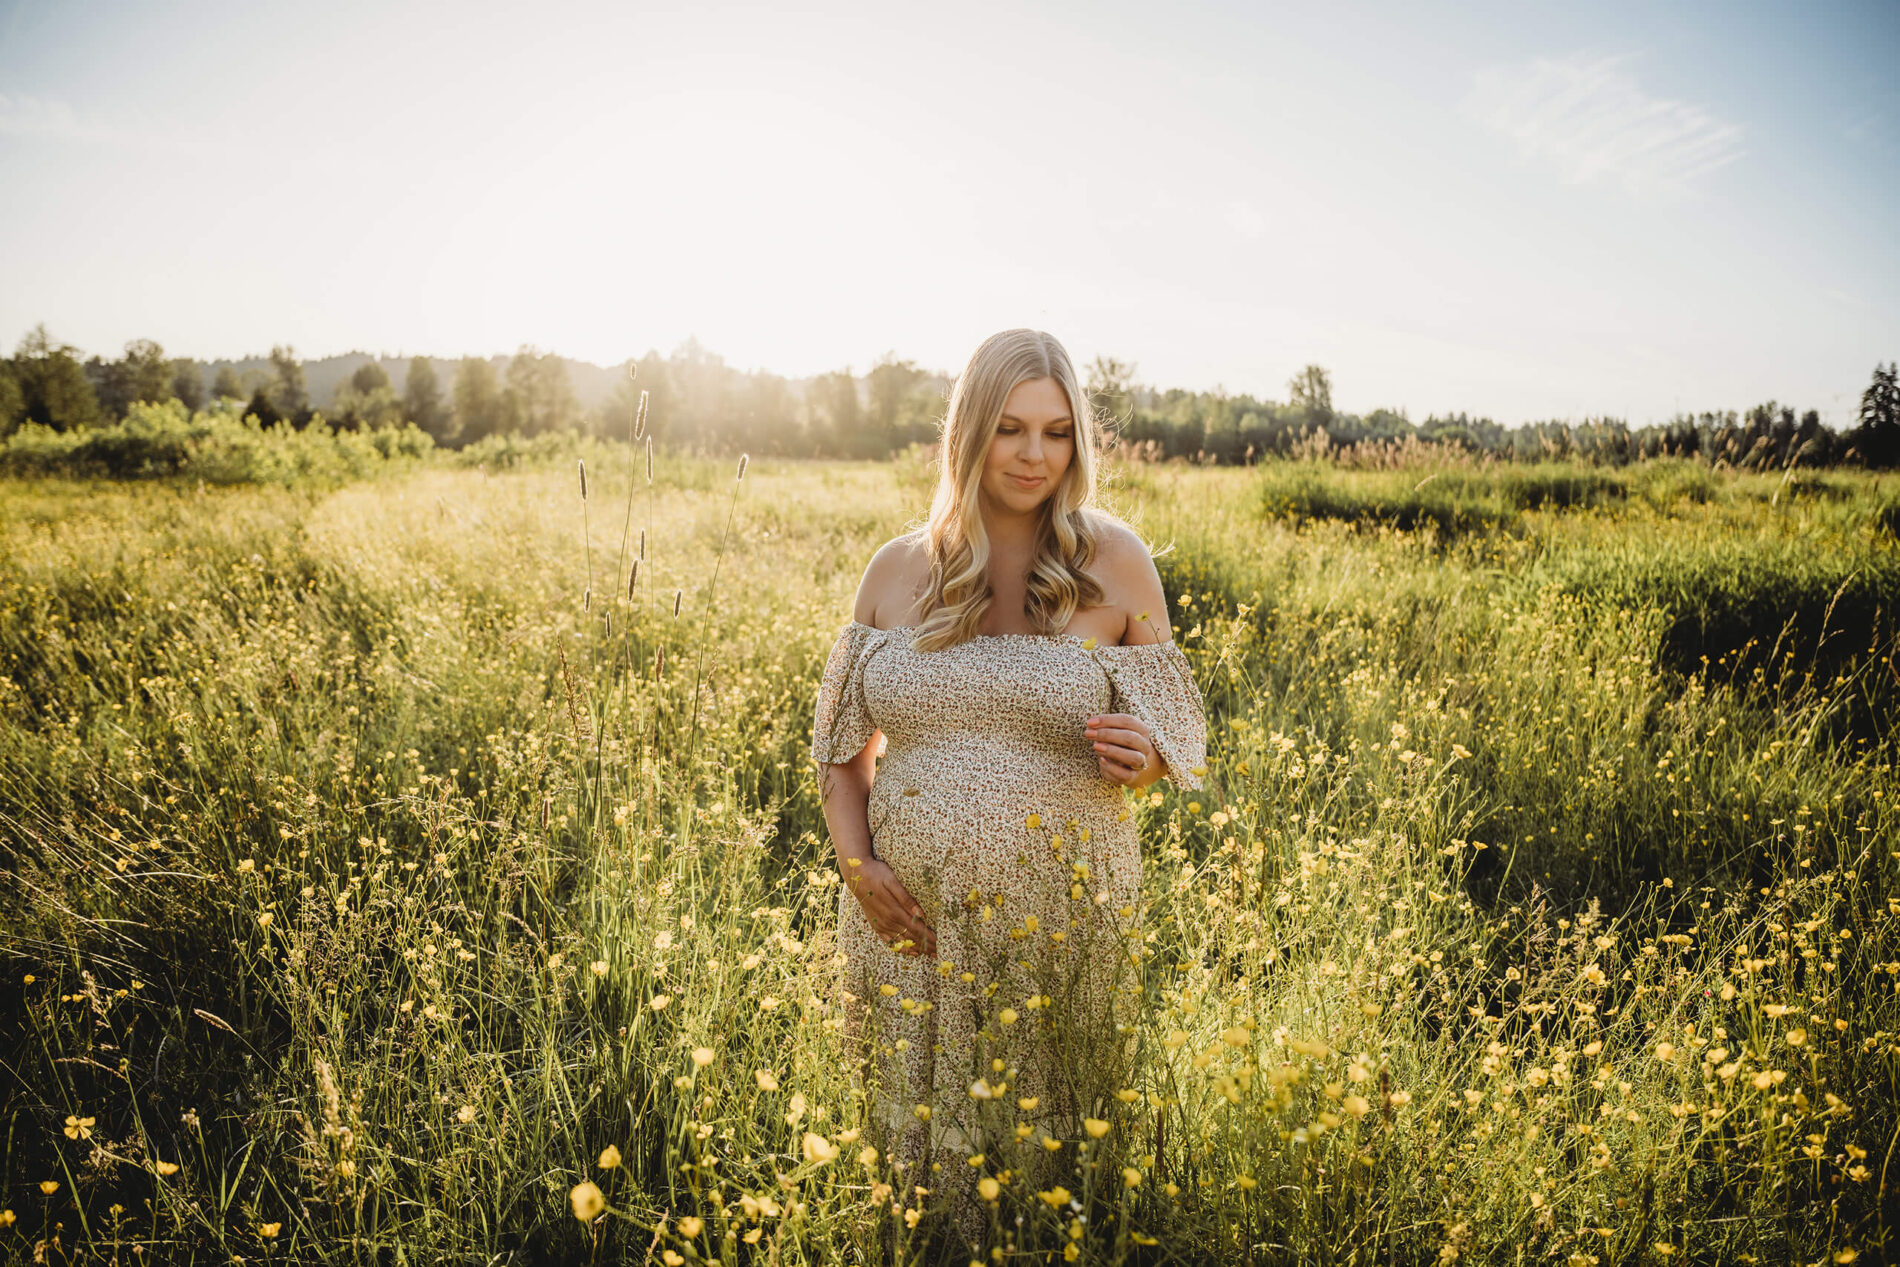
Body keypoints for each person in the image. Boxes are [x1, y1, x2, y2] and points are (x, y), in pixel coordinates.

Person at [809, 327, 1208, 1254]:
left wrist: (1142, 757)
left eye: (1058, 432)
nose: (1035, 455)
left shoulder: (1116, 561)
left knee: (1044, 1168)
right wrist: (859, 866)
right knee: (908, 1170)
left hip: (1058, 920)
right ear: (970, 431)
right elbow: (838, 753)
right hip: (908, 923)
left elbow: (1178, 737)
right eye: (1012, 429)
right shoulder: (894, 568)